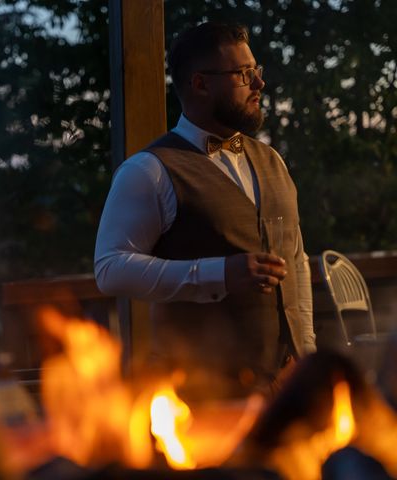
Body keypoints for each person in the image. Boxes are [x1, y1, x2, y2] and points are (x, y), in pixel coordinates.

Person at [95, 22, 316, 398]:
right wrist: (218, 274)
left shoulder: (273, 160)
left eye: (256, 72)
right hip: (199, 396)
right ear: (200, 84)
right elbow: (110, 270)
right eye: (245, 75)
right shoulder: (148, 170)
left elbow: (297, 260)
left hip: (284, 391)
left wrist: (306, 353)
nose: (259, 84)